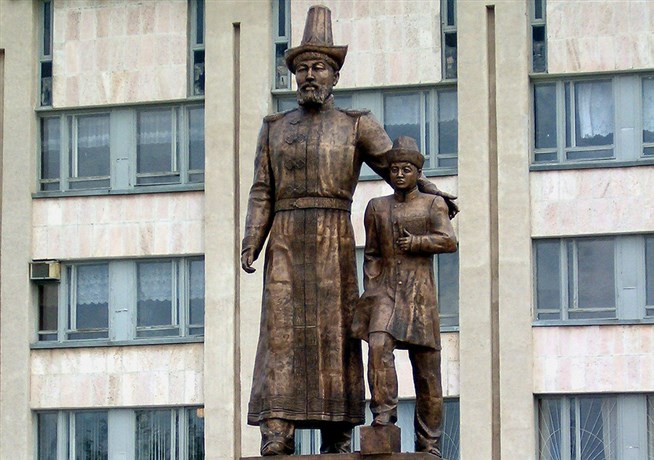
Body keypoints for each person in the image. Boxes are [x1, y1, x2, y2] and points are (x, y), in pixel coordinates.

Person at [241, 6, 457, 456]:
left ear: (335, 76)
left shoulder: (355, 123)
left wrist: (434, 192)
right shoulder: (274, 128)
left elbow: (396, 165)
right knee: (281, 332)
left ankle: (337, 429)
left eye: (318, 67)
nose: (309, 75)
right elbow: (262, 189)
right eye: (302, 68)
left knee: (335, 332)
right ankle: (277, 427)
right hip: (285, 238)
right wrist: (252, 239)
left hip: (331, 236)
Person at [352, 136, 458, 457]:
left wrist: (418, 243)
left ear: (417, 172)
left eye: (406, 169)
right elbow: (371, 253)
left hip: (419, 296)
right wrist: (372, 289)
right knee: (378, 345)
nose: (399, 175)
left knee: (427, 372)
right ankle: (383, 417)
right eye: (395, 169)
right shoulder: (377, 207)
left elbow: (448, 241)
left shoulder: (433, 204)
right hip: (385, 293)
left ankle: (429, 444)